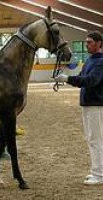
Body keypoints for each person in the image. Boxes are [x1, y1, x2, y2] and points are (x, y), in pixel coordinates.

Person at [55, 30, 103, 185]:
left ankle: (99, 174)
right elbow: (81, 78)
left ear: (99, 43)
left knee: (96, 139)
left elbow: (90, 81)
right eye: (86, 42)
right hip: (88, 104)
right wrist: (66, 78)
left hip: (96, 105)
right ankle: (97, 170)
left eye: (89, 42)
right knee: (92, 139)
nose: (86, 45)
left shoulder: (101, 62)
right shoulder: (90, 61)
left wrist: (68, 78)